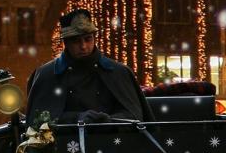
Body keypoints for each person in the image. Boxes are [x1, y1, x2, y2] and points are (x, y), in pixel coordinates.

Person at [24, 8, 155, 129]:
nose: (83, 46)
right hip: (64, 149)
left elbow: (135, 115)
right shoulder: (47, 75)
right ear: (66, 43)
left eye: (88, 39)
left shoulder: (118, 72)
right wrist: (77, 119)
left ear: (94, 38)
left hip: (114, 146)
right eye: (76, 41)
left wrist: (110, 122)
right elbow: (38, 123)